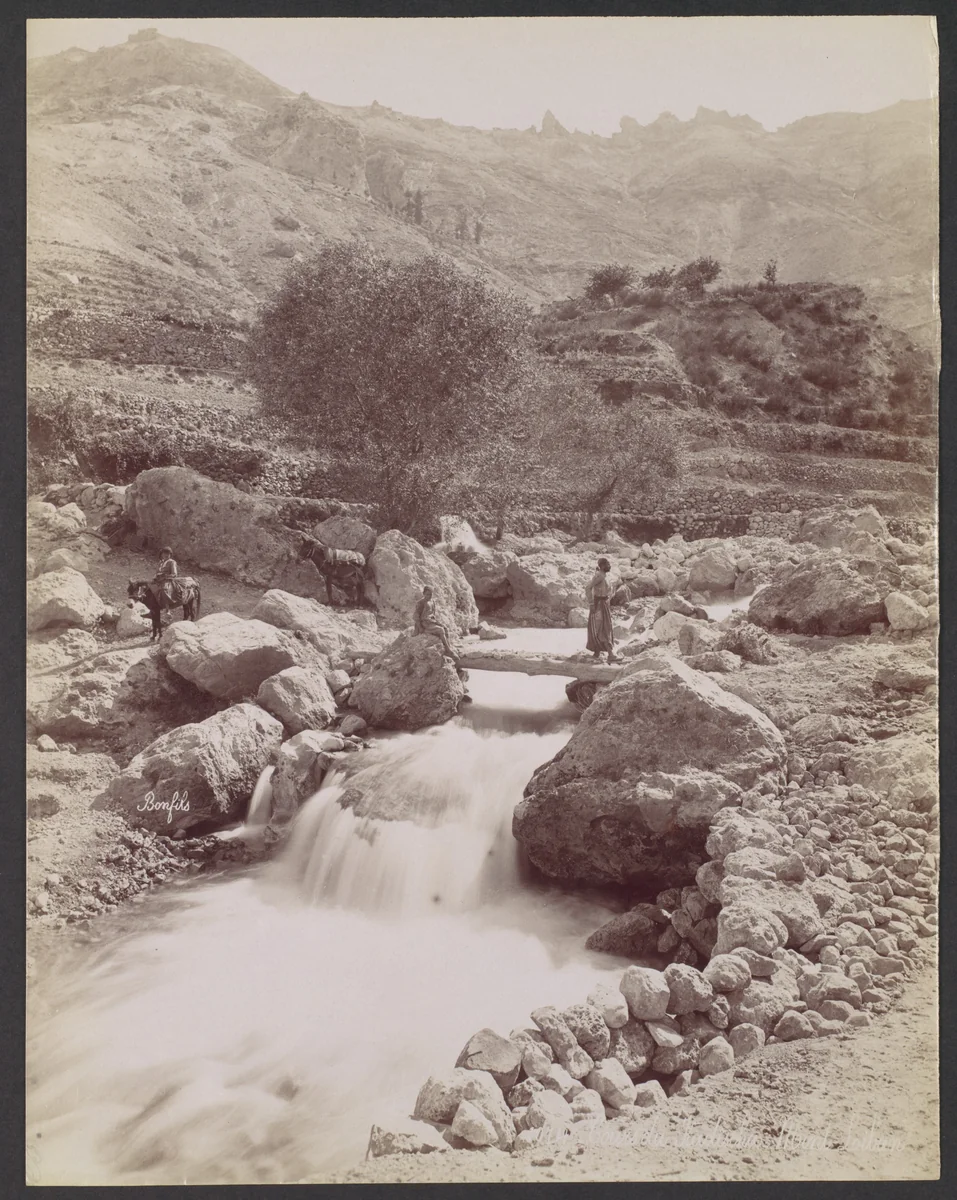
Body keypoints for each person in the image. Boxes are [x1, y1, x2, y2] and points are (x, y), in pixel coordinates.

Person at [585, 557, 619, 663]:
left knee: (601, 627)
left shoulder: (604, 575)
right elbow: (588, 588)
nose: (609, 566)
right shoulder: (599, 576)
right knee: (602, 628)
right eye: (607, 564)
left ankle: (597, 653)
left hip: (603, 604)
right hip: (598, 604)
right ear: (602, 565)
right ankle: (610, 654)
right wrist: (591, 603)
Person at [414, 586, 457, 659]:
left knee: (445, 628)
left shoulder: (432, 602)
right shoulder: (420, 603)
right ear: (424, 593)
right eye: (427, 594)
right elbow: (416, 617)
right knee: (441, 630)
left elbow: (433, 614)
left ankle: (448, 647)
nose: (429, 596)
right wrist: (420, 628)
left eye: (430, 594)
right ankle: (448, 650)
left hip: (432, 621)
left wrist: (437, 622)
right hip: (424, 623)